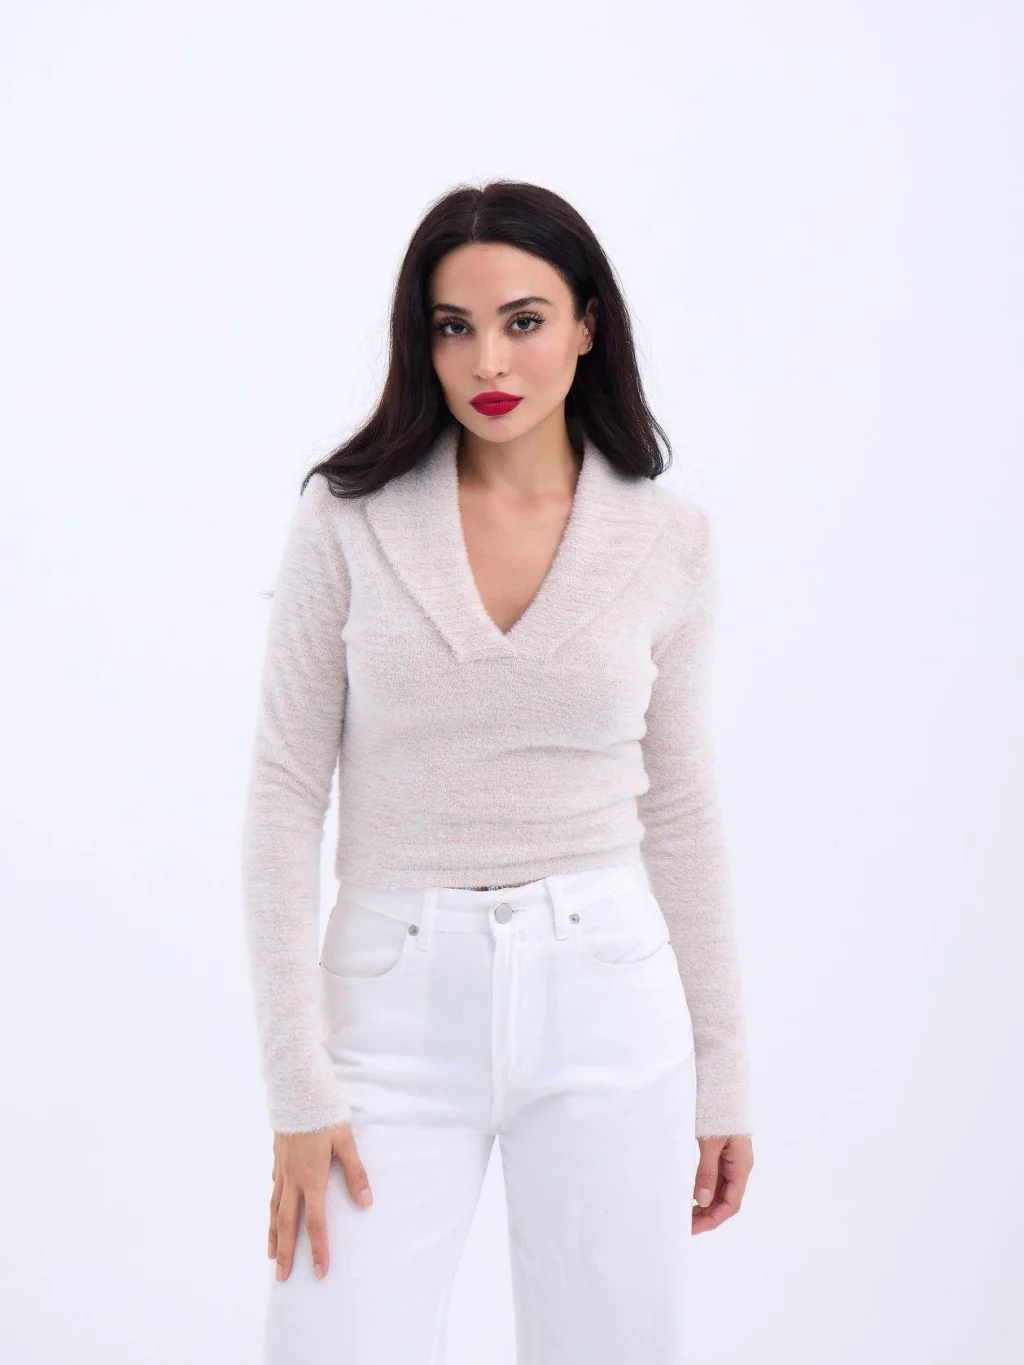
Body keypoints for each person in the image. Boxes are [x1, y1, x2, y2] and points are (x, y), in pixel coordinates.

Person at [241, 178, 754, 1364]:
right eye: (452, 325)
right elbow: (281, 795)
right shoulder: (347, 520)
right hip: (388, 1003)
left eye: (524, 320)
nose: (488, 360)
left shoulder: (670, 539)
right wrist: (296, 1089)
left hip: (608, 995)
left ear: (587, 326)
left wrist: (724, 1075)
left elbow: (682, 808)